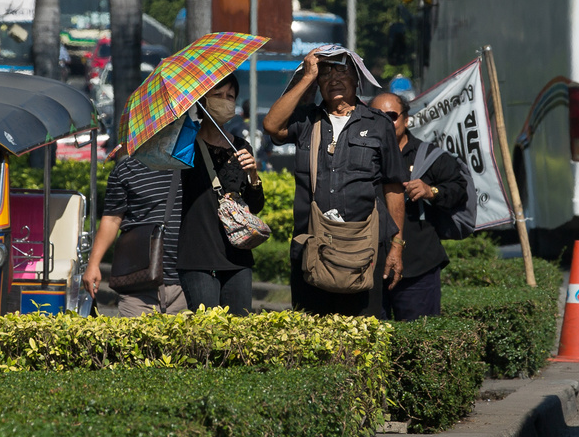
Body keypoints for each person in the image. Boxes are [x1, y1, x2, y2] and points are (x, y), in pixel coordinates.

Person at [264, 48, 407, 316]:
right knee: (312, 335)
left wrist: (397, 246)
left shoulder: (378, 125)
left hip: (363, 249)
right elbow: (272, 125)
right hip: (311, 245)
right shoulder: (306, 119)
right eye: (326, 74)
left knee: (362, 334)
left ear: (357, 80)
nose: (334, 79)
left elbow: (394, 187)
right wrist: (307, 77)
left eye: (342, 72)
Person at [369, 91, 468, 322]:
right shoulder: (359, 156)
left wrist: (431, 191)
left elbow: (459, 190)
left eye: (391, 116)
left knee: (419, 341)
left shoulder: (430, 156)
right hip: (369, 267)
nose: (384, 123)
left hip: (418, 267)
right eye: (376, 116)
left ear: (406, 119)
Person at [178, 75, 264, 314]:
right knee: (207, 331)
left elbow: (255, 206)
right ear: (203, 100)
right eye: (218, 95)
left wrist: (253, 175)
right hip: (197, 254)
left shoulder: (241, 146)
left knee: (238, 332)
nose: (225, 101)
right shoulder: (185, 146)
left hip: (237, 255)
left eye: (230, 96)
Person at [82, 154, 187, 315]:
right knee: (134, 340)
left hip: (186, 283)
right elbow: (112, 219)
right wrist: (93, 264)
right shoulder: (125, 169)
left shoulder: (192, 165)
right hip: (138, 284)